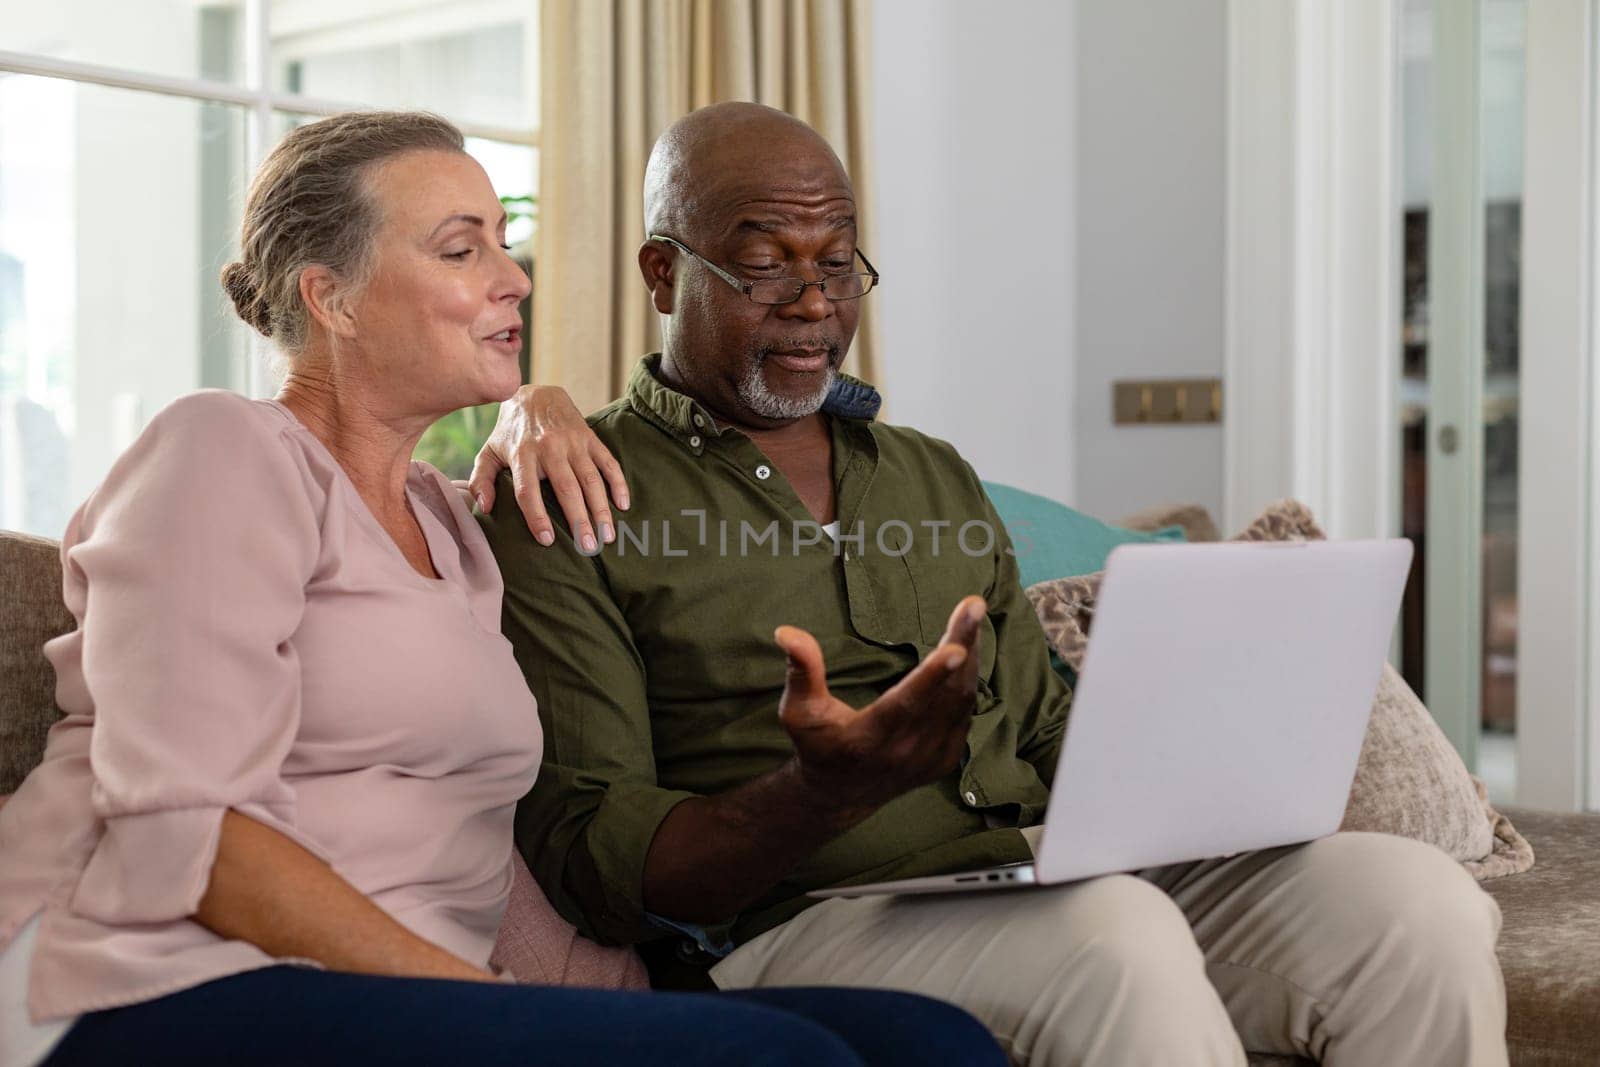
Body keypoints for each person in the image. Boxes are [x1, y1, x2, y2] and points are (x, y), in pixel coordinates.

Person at [475, 101, 1510, 1067]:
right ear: (664, 272)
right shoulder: (569, 491)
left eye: (838, 265)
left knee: (1410, 896)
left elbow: (1047, 728)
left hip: (1025, 868)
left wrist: (1201, 768)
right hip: (799, 917)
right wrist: (817, 793)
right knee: (1114, 933)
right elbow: (592, 857)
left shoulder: (926, 471)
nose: (814, 305)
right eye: (764, 264)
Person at [0, 109, 1004, 1067]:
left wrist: (616, 1010)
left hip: (404, 988)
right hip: (150, 975)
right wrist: (499, 1008)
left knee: (928, 1041)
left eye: (504, 243)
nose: (513, 277)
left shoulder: (458, 527)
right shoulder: (221, 450)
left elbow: (481, 837)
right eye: (460, 248)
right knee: (779, 1059)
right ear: (331, 298)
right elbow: (194, 827)